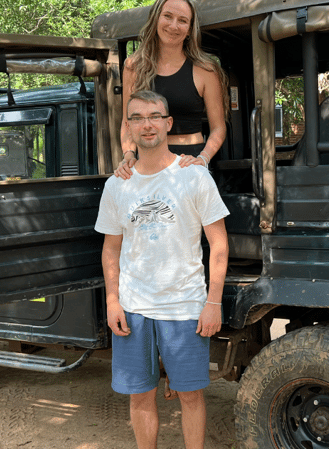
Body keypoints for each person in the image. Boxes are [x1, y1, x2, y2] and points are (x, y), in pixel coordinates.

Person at [96, 90, 229, 449]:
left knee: (191, 396)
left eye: (154, 116)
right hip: (134, 308)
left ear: (168, 123)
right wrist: (112, 301)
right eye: (137, 118)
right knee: (140, 397)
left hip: (184, 307)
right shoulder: (117, 185)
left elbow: (219, 243)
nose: (147, 124)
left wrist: (213, 302)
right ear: (128, 128)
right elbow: (111, 249)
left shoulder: (194, 176)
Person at [116, 0, 228, 179]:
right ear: (156, 19)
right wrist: (128, 155)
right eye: (168, 16)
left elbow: (218, 127)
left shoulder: (206, 70)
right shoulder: (133, 67)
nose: (173, 25)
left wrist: (202, 159)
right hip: (147, 163)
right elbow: (127, 122)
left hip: (189, 164)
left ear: (190, 29)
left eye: (183, 20)